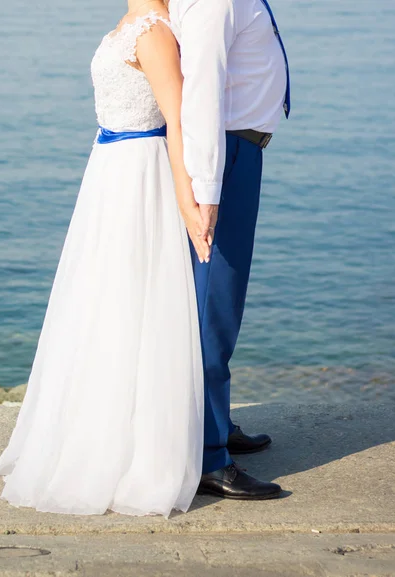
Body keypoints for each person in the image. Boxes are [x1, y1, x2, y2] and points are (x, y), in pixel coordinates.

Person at [0, 0, 210, 518]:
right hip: (108, 172)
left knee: (133, 302)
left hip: (140, 176)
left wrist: (185, 197)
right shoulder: (127, 26)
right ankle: (94, 424)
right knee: (99, 302)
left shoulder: (155, 32)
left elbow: (178, 121)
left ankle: (136, 444)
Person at [168, 0, 291, 500]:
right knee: (213, 306)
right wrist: (208, 188)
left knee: (220, 303)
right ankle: (207, 455)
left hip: (237, 150)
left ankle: (215, 421)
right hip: (225, 154)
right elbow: (200, 90)